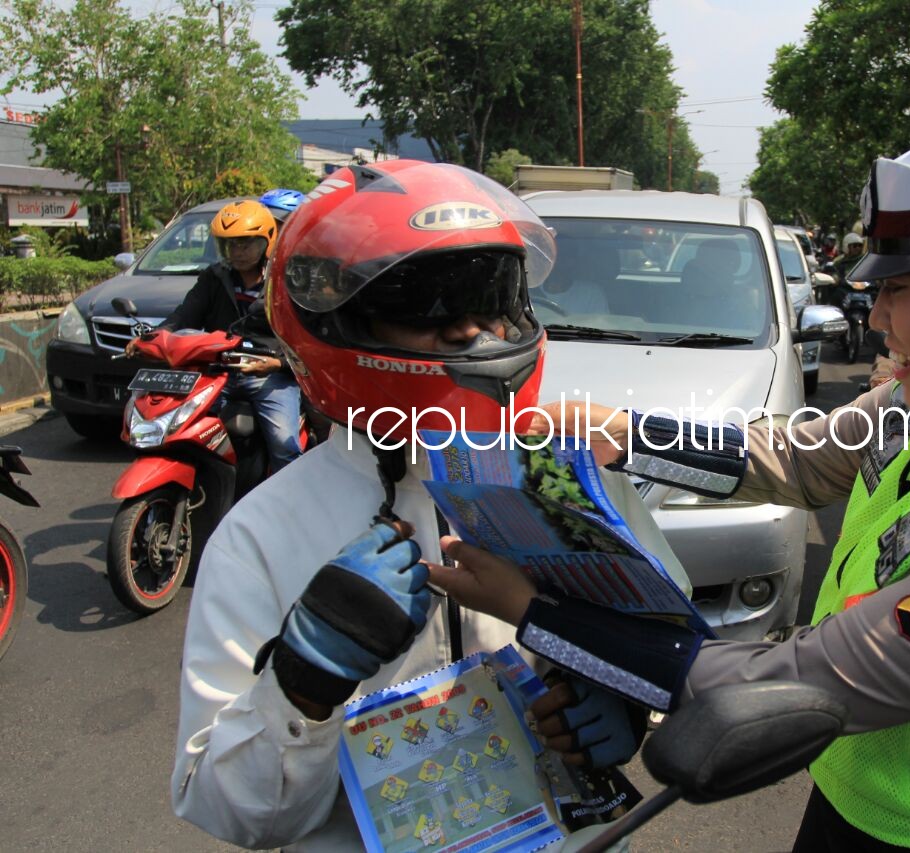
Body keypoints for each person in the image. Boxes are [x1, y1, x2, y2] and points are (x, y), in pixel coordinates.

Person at [428, 125, 910, 853]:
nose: (874, 319)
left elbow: (789, 680)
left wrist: (533, 611)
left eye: (898, 290)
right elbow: (802, 456)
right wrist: (624, 431)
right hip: (858, 797)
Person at [170, 160, 688, 851]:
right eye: (430, 304)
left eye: (492, 298)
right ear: (334, 316)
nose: (472, 333)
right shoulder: (260, 536)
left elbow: (679, 637)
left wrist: (629, 691)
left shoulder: (568, 479)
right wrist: (300, 685)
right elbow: (226, 807)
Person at [126, 199, 303, 473]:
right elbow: (184, 316)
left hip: (267, 374)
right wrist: (151, 338)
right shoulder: (215, 276)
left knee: (283, 444)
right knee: (178, 428)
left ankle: (290, 506)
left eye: (245, 243)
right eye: (230, 244)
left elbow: (303, 337)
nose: (237, 251)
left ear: (268, 240)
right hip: (216, 373)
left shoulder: (284, 282)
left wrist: (278, 363)